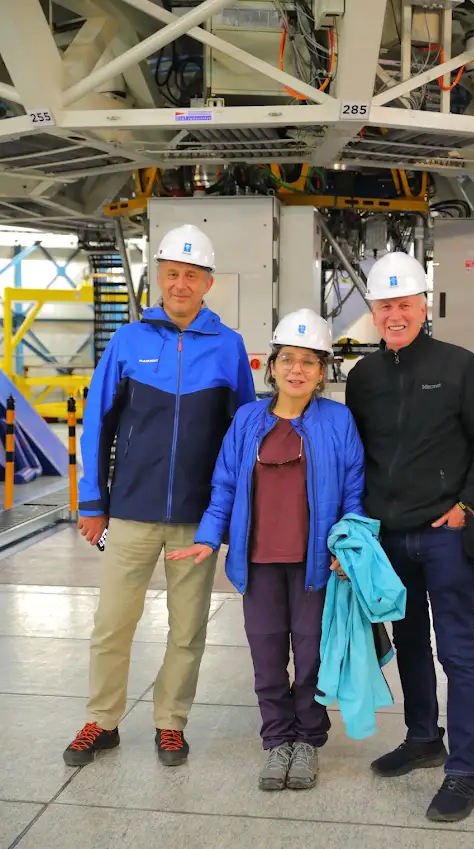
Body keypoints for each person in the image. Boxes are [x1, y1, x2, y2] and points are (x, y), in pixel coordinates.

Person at [63, 224, 255, 768]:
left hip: (197, 520)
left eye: (191, 275)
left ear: (208, 283)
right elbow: (97, 427)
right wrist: (92, 503)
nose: (180, 284)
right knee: (111, 625)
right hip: (130, 513)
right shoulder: (127, 342)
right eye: (172, 273)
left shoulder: (229, 346)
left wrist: (232, 512)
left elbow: (241, 432)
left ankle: (171, 723)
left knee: (188, 629)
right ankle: (102, 722)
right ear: (159, 278)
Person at [168, 309, 364, 791]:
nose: (297, 370)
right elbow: (225, 486)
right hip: (257, 564)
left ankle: (309, 742)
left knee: (313, 656)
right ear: (271, 366)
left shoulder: (338, 421)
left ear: (322, 373)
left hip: (316, 564)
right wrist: (208, 538)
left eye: (309, 362)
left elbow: (354, 492)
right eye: (287, 360)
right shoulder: (247, 419)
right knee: (267, 655)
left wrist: (349, 547)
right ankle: (278, 740)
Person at [345, 251, 474, 823]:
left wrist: (468, 505)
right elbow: (357, 456)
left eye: (404, 304)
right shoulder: (363, 378)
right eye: (384, 305)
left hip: (444, 534)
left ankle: (466, 772)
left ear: (423, 305)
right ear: (374, 310)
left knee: (458, 651)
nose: (394, 314)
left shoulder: (459, 365)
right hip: (391, 537)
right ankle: (422, 738)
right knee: (410, 642)